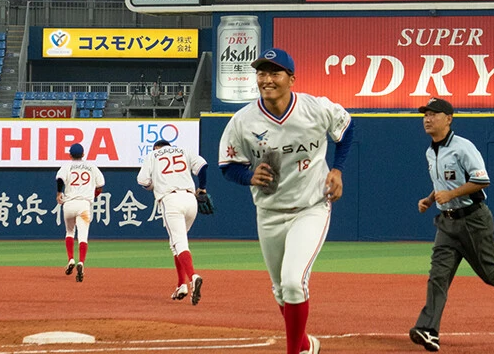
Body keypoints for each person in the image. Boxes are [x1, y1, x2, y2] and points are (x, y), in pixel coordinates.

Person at [218, 48, 354, 354]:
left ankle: (295, 351)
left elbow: (346, 128)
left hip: (311, 207)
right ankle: (306, 344)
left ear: (291, 79)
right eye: (262, 73)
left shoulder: (315, 108)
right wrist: (248, 176)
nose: (267, 80)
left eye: (275, 73)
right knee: (281, 289)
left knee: (294, 282)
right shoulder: (243, 121)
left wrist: (337, 169)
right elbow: (228, 166)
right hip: (268, 211)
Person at [409, 98, 494, 353]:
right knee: (438, 277)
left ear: (449, 118)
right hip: (447, 224)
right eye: (425, 114)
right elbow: (442, 184)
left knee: (489, 271)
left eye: (434, 114)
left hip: (473, 220)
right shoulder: (430, 151)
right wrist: (430, 198)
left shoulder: (462, 147)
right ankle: (429, 330)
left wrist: (452, 195)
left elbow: (482, 180)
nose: (427, 119)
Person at [137, 138, 209, 304]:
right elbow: (203, 166)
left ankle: (193, 277)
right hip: (191, 200)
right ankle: (181, 285)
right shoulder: (184, 150)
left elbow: (143, 181)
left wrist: (153, 185)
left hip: (171, 200)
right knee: (176, 243)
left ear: (156, 147)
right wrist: (203, 188)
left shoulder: (153, 155)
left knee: (180, 243)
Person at [55, 142, 104, 282]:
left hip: (69, 204)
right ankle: (81, 262)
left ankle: (70, 259)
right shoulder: (91, 166)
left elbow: (59, 179)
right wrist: (94, 194)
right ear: (83, 154)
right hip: (84, 205)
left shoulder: (67, 166)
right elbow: (100, 185)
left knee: (69, 232)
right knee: (83, 237)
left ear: (70, 154)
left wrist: (59, 193)